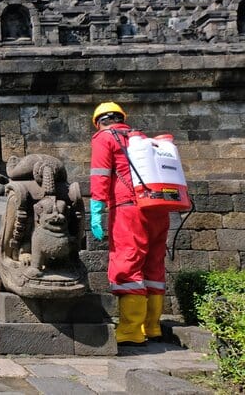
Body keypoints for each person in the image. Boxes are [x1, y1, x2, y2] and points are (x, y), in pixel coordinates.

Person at [89, 102, 170, 346]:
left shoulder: (105, 138)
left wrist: (96, 210)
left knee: (127, 263)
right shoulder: (141, 140)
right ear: (122, 118)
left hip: (128, 209)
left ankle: (131, 331)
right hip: (158, 208)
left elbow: (101, 175)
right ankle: (152, 326)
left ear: (99, 121)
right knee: (153, 265)